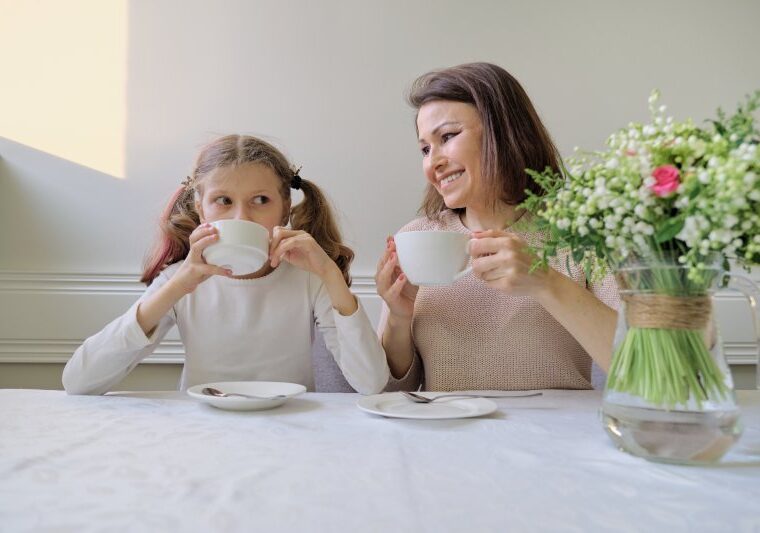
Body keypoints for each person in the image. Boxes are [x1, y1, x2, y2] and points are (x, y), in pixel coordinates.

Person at [63, 134, 389, 395]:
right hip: (204, 431)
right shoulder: (181, 281)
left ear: (285, 207)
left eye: (260, 201)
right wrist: (176, 287)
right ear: (201, 209)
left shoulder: (308, 279)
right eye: (223, 201)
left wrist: (330, 273)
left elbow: (370, 383)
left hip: (290, 432)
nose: (241, 217)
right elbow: (79, 381)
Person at [376, 63, 619, 392]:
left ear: (503, 131)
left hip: (556, 439)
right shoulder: (416, 239)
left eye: (447, 137)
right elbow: (391, 394)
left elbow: (640, 368)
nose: (433, 162)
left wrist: (544, 280)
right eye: (425, 149)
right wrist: (398, 316)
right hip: (447, 437)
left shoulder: (579, 235)